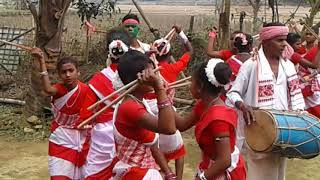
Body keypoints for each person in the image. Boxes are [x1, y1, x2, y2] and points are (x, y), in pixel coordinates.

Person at [226, 23, 305, 180]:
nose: (285, 44)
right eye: (280, 40)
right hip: (258, 132)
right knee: (258, 174)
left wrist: (299, 120)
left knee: (279, 173)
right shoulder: (251, 65)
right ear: (267, 41)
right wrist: (243, 106)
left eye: (285, 40)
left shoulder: (288, 66)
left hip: (284, 131)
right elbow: (233, 93)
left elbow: (297, 97)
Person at [172, 59, 246, 180]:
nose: (190, 85)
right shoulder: (204, 105)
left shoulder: (218, 118)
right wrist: (163, 97)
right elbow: (182, 124)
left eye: (192, 81)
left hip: (222, 172)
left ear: (200, 86)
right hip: (212, 166)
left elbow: (224, 160)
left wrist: (201, 178)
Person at [112, 50, 177, 179]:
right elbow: (169, 129)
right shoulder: (130, 107)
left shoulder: (138, 102)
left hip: (141, 171)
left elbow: (152, 142)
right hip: (136, 173)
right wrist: (159, 88)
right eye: (153, 73)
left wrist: (168, 172)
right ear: (140, 77)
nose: (156, 76)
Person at [31, 49, 91, 179]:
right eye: (63, 72)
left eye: (71, 71)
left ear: (78, 72)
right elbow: (47, 89)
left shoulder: (86, 90)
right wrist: (42, 61)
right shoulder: (58, 89)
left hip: (81, 137)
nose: (68, 75)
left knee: (82, 174)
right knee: (59, 176)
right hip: (61, 138)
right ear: (59, 75)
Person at [80, 28, 131, 179]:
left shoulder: (97, 79)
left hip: (102, 140)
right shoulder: (137, 78)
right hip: (129, 133)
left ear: (108, 50)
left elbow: (85, 115)